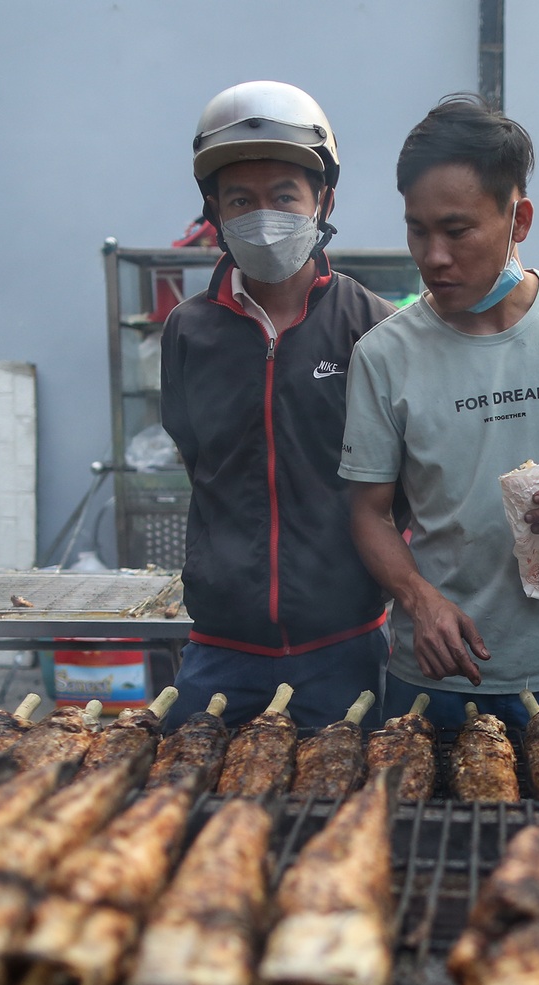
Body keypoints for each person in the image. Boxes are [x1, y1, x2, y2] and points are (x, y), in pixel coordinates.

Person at [340, 96, 539, 728]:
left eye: (456, 230)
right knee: (423, 831)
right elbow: (368, 512)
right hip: (432, 674)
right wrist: (417, 598)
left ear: (519, 219)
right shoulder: (384, 354)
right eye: (417, 229)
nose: (433, 256)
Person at [157, 81, 398, 729]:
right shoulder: (188, 331)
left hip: (343, 645)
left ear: (323, 201)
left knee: (347, 819)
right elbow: (197, 459)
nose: (263, 214)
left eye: (284, 196)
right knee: (188, 816)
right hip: (221, 649)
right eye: (242, 199)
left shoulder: (370, 326)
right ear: (214, 211)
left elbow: (397, 480)